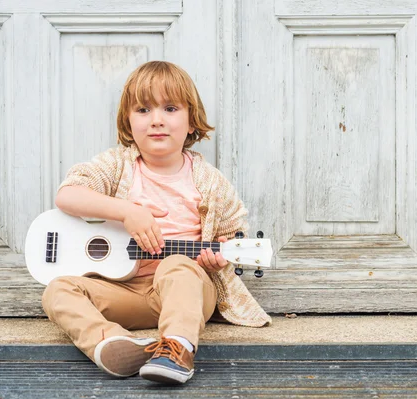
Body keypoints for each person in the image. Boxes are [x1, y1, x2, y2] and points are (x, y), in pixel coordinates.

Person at [41, 60, 271, 385]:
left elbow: (232, 235)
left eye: (170, 108)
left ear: (191, 121)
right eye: (144, 110)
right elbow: (68, 195)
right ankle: (113, 343)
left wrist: (217, 259)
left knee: (177, 265)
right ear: (128, 121)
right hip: (126, 290)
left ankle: (177, 348)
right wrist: (126, 212)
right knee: (58, 289)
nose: (157, 121)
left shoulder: (209, 182)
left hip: (185, 292)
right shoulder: (118, 165)